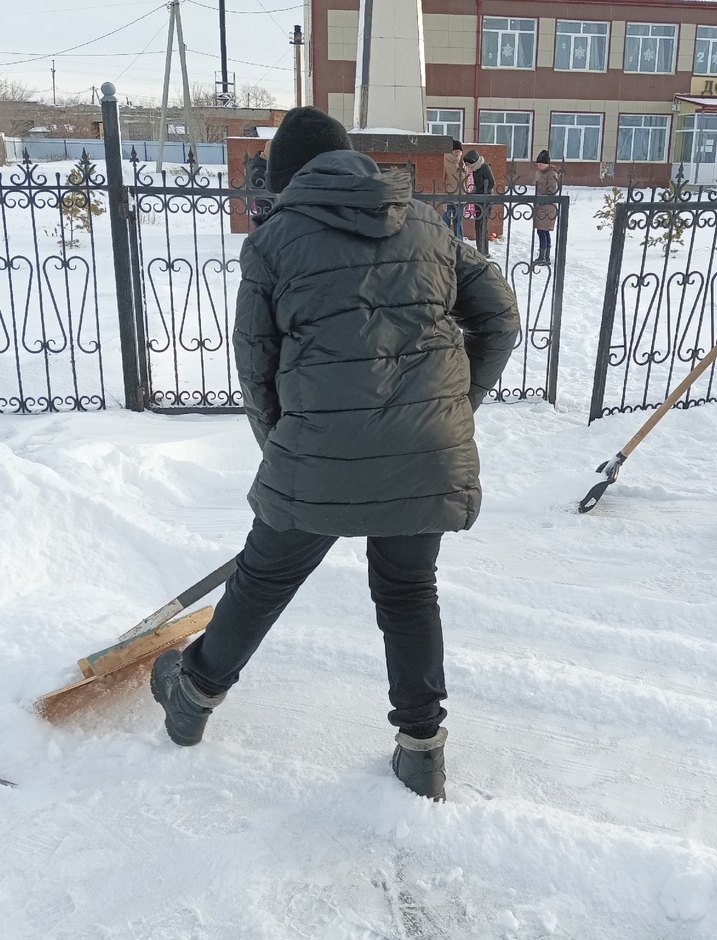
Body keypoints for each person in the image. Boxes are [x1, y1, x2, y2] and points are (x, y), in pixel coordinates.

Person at [150, 107, 521, 801]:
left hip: (316, 451)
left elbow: (256, 368)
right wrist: (448, 407)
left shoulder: (274, 242)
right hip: (424, 453)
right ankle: (421, 750)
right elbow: (500, 314)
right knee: (409, 592)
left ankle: (193, 695)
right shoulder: (427, 225)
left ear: (289, 177)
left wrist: (284, 457)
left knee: (264, 580)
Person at [463, 149, 495, 256]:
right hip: (478, 200)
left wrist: (481, 192)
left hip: (486, 200)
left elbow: (491, 183)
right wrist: (474, 192)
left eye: (468, 163)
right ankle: (480, 250)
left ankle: (484, 251)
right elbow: (478, 184)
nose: (467, 165)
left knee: (482, 225)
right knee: (478, 225)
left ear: (473, 161)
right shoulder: (475, 169)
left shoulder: (485, 167)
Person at [532, 150, 560, 268]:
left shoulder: (551, 174)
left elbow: (552, 190)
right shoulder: (545, 173)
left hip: (547, 207)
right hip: (543, 207)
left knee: (542, 231)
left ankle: (543, 257)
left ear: (546, 163)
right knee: (544, 231)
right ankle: (545, 256)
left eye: (540, 164)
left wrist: (541, 198)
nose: (538, 166)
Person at [441, 138, 466, 240]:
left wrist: (466, 192)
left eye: (460, 151)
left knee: (458, 222)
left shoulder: (461, 162)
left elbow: (466, 178)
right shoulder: (444, 161)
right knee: (446, 221)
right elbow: (441, 179)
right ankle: (444, 241)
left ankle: (459, 242)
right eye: (456, 151)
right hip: (448, 196)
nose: (458, 154)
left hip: (460, 197)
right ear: (450, 151)